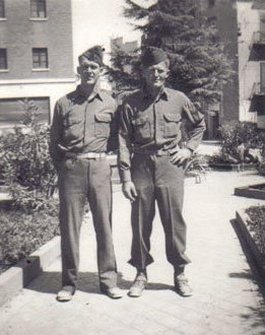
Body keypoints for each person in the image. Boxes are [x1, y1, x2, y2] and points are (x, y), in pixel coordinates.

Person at [118, 47, 206, 298]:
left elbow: (199, 124)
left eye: (160, 70)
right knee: (140, 222)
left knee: (174, 221)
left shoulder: (179, 99)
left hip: (170, 166)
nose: (155, 74)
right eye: (150, 70)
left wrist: (188, 149)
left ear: (166, 73)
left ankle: (179, 273)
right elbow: (123, 140)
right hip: (141, 166)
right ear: (143, 74)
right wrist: (125, 178)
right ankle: (141, 273)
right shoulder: (130, 102)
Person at [49, 45, 122, 301]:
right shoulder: (63, 103)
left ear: (100, 70)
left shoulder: (112, 103)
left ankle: (108, 281)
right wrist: (65, 167)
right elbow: (53, 142)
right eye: (84, 67)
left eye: (93, 67)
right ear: (78, 71)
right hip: (71, 169)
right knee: (69, 228)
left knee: (105, 226)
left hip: (100, 168)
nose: (88, 71)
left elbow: (116, 139)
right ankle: (68, 284)